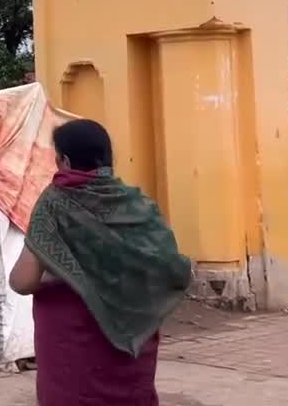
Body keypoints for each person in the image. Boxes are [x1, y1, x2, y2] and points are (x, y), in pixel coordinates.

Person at [10, 119, 191, 406]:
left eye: (57, 156)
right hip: (132, 337)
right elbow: (168, 266)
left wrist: (64, 274)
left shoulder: (55, 202)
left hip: (73, 341)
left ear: (66, 161)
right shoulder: (136, 204)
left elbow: (22, 281)